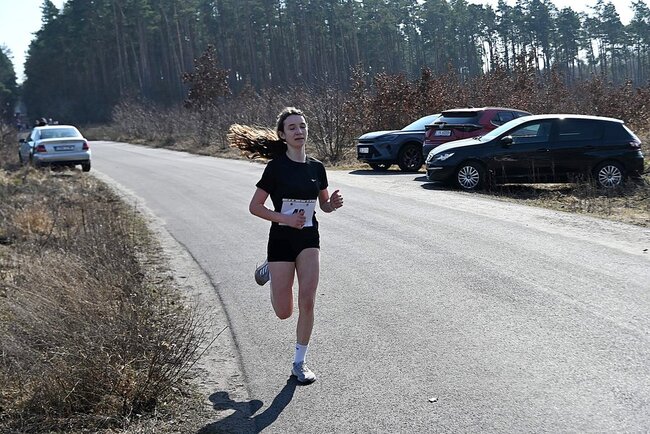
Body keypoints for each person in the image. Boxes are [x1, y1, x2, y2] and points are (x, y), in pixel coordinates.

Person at [228, 107, 344, 384]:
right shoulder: (276, 168)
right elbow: (255, 206)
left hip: (308, 239)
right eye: (292, 127)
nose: (299, 131)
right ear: (282, 135)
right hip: (280, 239)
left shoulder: (316, 168)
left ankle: (299, 363)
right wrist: (286, 219)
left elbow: (323, 205)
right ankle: (270, 268)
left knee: (308, 300)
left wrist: (331, 204)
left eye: (302, 126)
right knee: (284, 312)